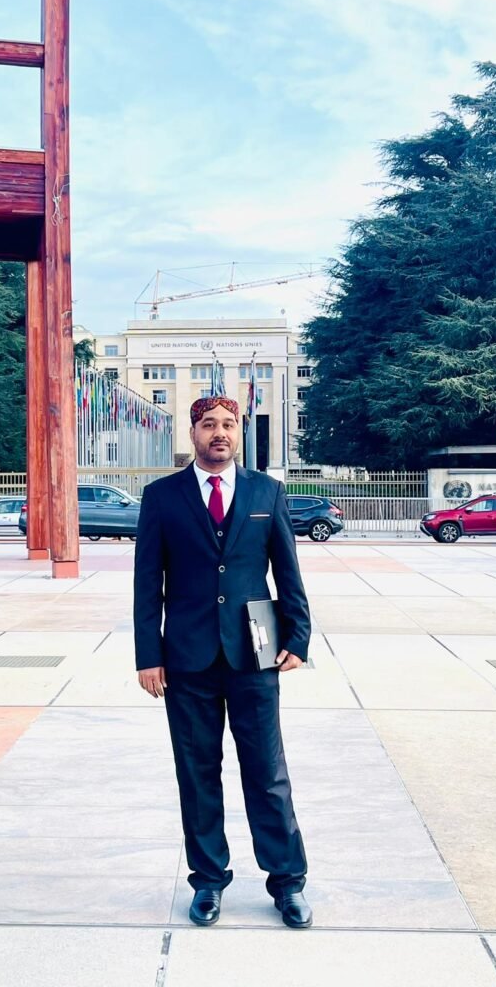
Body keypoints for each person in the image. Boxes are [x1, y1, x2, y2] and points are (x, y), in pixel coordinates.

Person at [134, 395, 312, 929]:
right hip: (186, 659)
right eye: (209, 424)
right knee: (197, 774)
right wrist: (148, 655)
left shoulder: (266, 492)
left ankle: (287, 883)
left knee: (267, 773)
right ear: (193, 433)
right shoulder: (162, 497)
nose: (219, 433)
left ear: (238, 432)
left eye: (228, 425)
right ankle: (208, 880)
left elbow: (287, 570)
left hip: (254, 653)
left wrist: (299, 637)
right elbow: (147, 582)